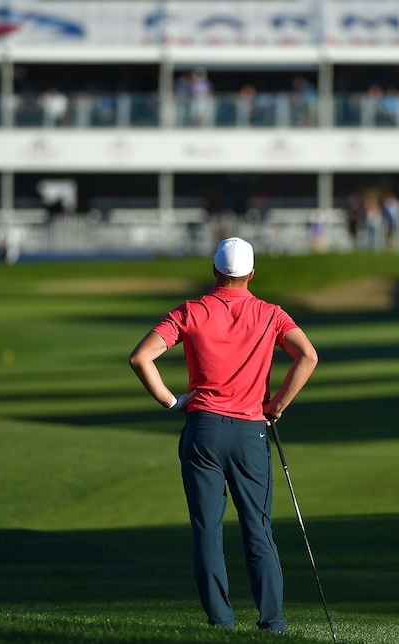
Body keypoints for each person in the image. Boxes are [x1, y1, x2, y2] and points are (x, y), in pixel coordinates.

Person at [128, 237, 319, 635]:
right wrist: (278, 405)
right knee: (257, 527)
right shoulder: (271, 314)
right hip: (251, 433)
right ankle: (274, 622)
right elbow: (308, 356)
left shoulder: (190, 311)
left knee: (207, 529)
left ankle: (221, 622)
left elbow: (140, 357)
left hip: (203, 433)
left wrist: (171, 401)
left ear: (214, 270)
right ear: (252, 273)